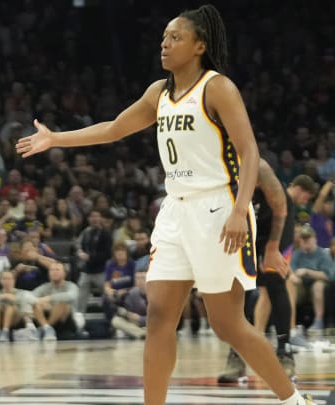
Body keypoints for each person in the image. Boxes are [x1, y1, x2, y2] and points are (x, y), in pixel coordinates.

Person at [16, 5, 312, 404]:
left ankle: (295, 400)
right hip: (175, 210)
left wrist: (241, 210)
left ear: (199, 45)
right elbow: (114, 128)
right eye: (163, 38)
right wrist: (56, 138)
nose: (165, 44)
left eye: (175, 38)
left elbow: (248, 150)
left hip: (218, 208)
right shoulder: (159, 92)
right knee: (158, 318)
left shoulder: (217, 87)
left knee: (227, 325)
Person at [218, 163, 313, 383]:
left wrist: (272, 248)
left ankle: (285, 352)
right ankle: (237, 353)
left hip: (278, 223)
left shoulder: (260, 170)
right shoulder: (223, 175)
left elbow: (281, 212)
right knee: (237, 286)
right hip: (246, 224)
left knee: (275, 279)